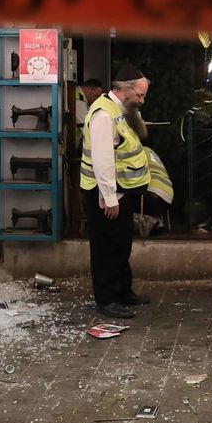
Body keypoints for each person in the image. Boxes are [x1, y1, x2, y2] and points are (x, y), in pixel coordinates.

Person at [80, 64, 151, 319]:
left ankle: (123, 292)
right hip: (106, 195)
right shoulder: (104, 115)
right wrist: (109, 198)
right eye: (140, 95)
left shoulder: (122, 110)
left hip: (121, 192)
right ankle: (107, 299)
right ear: (124, 91)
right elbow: (103, 161)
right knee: (107, 248)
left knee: (121, 246)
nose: (142, 100)